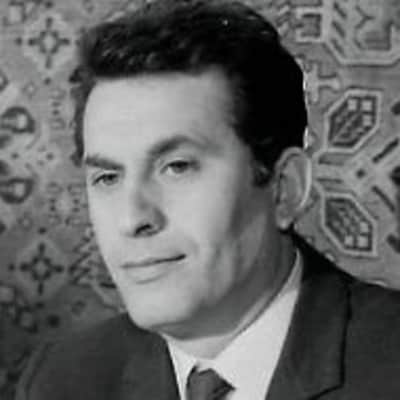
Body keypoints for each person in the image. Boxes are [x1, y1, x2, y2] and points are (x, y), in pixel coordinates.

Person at [17, 1, 400, 399]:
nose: (132, 218)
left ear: (284, 188)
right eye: (107, 177)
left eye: (177, 167)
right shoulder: (62, 380)